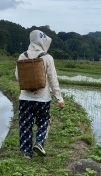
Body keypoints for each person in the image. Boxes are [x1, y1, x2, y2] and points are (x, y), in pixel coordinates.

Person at [15, 30, 65, 159]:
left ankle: (27, 152)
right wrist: (59, 98)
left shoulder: (22, 55)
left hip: (25, 98)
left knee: (25, 124)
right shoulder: (47, 57)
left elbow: (17, 76)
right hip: (43, 99)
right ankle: (39, 143)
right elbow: (53, 79)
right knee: (44, 120)